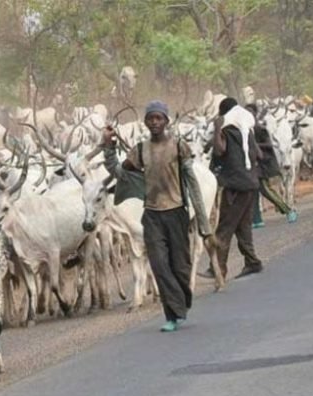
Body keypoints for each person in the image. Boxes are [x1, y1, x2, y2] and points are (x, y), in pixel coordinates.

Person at [101, 100, 213, 333]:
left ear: (166, 121)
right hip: (152, 216)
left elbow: (191, 182)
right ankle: (173, 314)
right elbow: (120, 172)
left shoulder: (178, 146)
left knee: (180, 266)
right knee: (160, 265)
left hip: (176, 212)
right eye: (150, 118)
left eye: (158, 118)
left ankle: (181, 301)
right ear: (145, 122)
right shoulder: (141, 150)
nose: (154, 122)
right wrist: (108, 147)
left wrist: (203, 221)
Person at [211, 97, 264, 280]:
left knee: (224, 228)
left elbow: (219, 150)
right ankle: (252, 262)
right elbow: (259, 154)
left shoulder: (227, 130)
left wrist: (217, 128)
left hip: (235, 186)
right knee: (243, 226)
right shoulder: (246, 131)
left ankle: (218, 268)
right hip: (251, 184)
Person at [245, 103, 298, 227]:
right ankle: (257, 220)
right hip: (251, 165)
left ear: (255, 114)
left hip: (262, 165)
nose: (248, 115)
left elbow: (269, 145)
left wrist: (255, 145)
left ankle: (288, 210)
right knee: (252, 193)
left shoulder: (259, 129)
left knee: (266, 191)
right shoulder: (246, 129)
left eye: (250, 112)